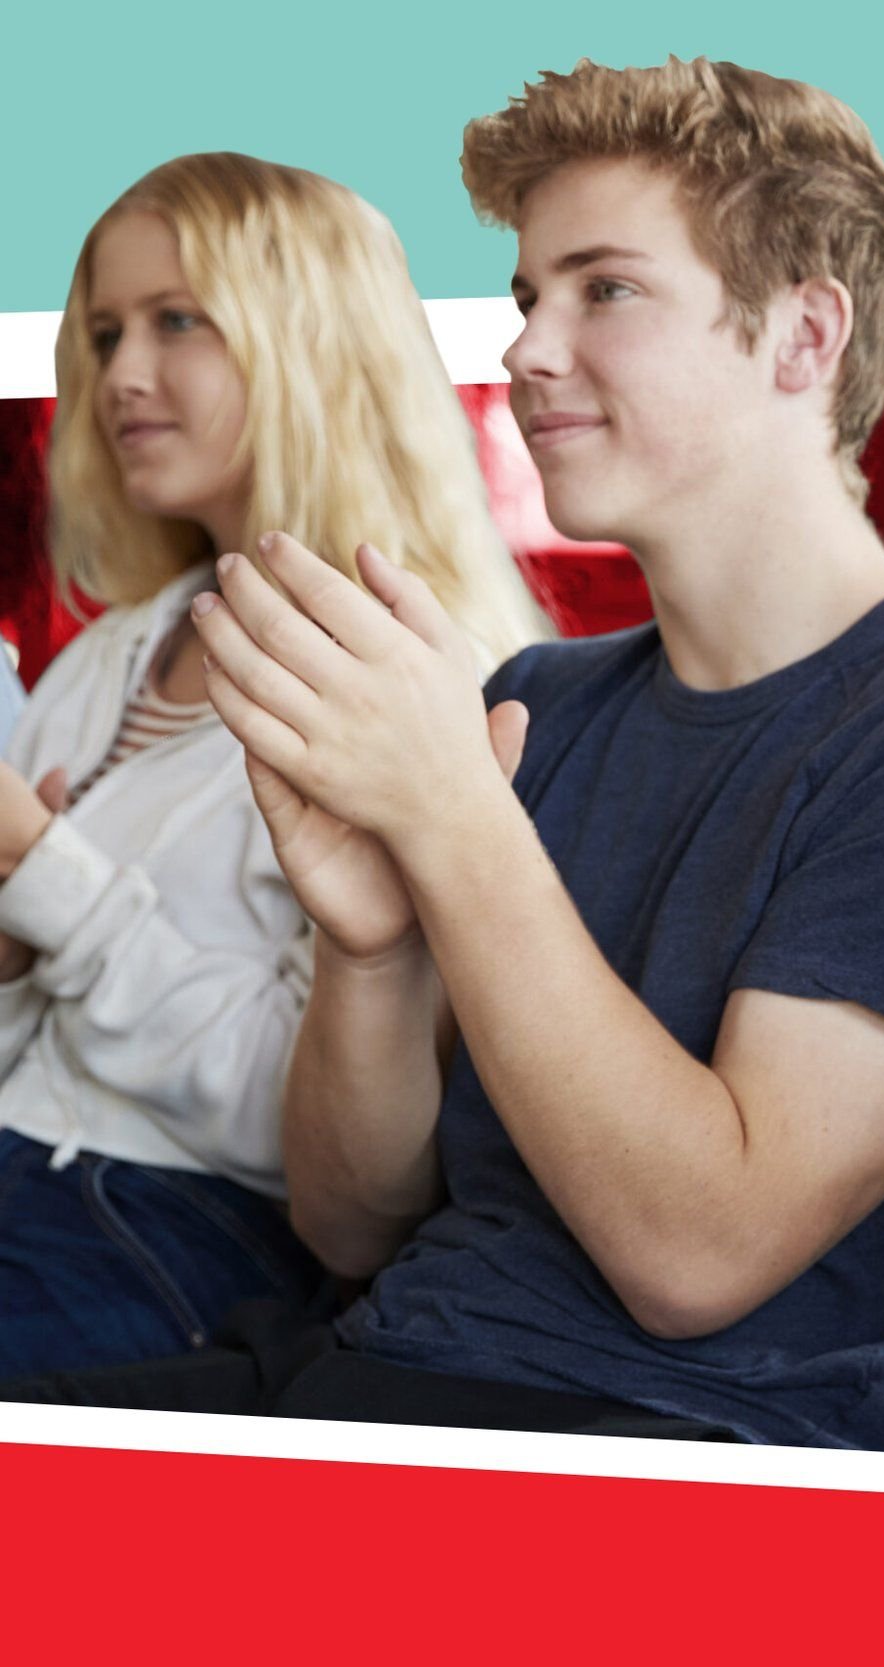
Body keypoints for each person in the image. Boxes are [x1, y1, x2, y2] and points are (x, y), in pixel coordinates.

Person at [2, 58, 884, 1449]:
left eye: (605, 289)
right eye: (525, 298)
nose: (522, 349)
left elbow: (695, 1253)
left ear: (805, 336)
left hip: (643, 1441)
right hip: (359, 1377)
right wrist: (372, 948)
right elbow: (351, 1216)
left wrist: (461, 828)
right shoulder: (545, 698)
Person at [0, 153, 546, 1377]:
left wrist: (46, 879)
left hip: (166, 1231)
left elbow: (328, 1152)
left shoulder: (424, 678)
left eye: (178, 320)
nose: (121, 374)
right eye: (102, 332)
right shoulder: (113, 655)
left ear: (310, 339)